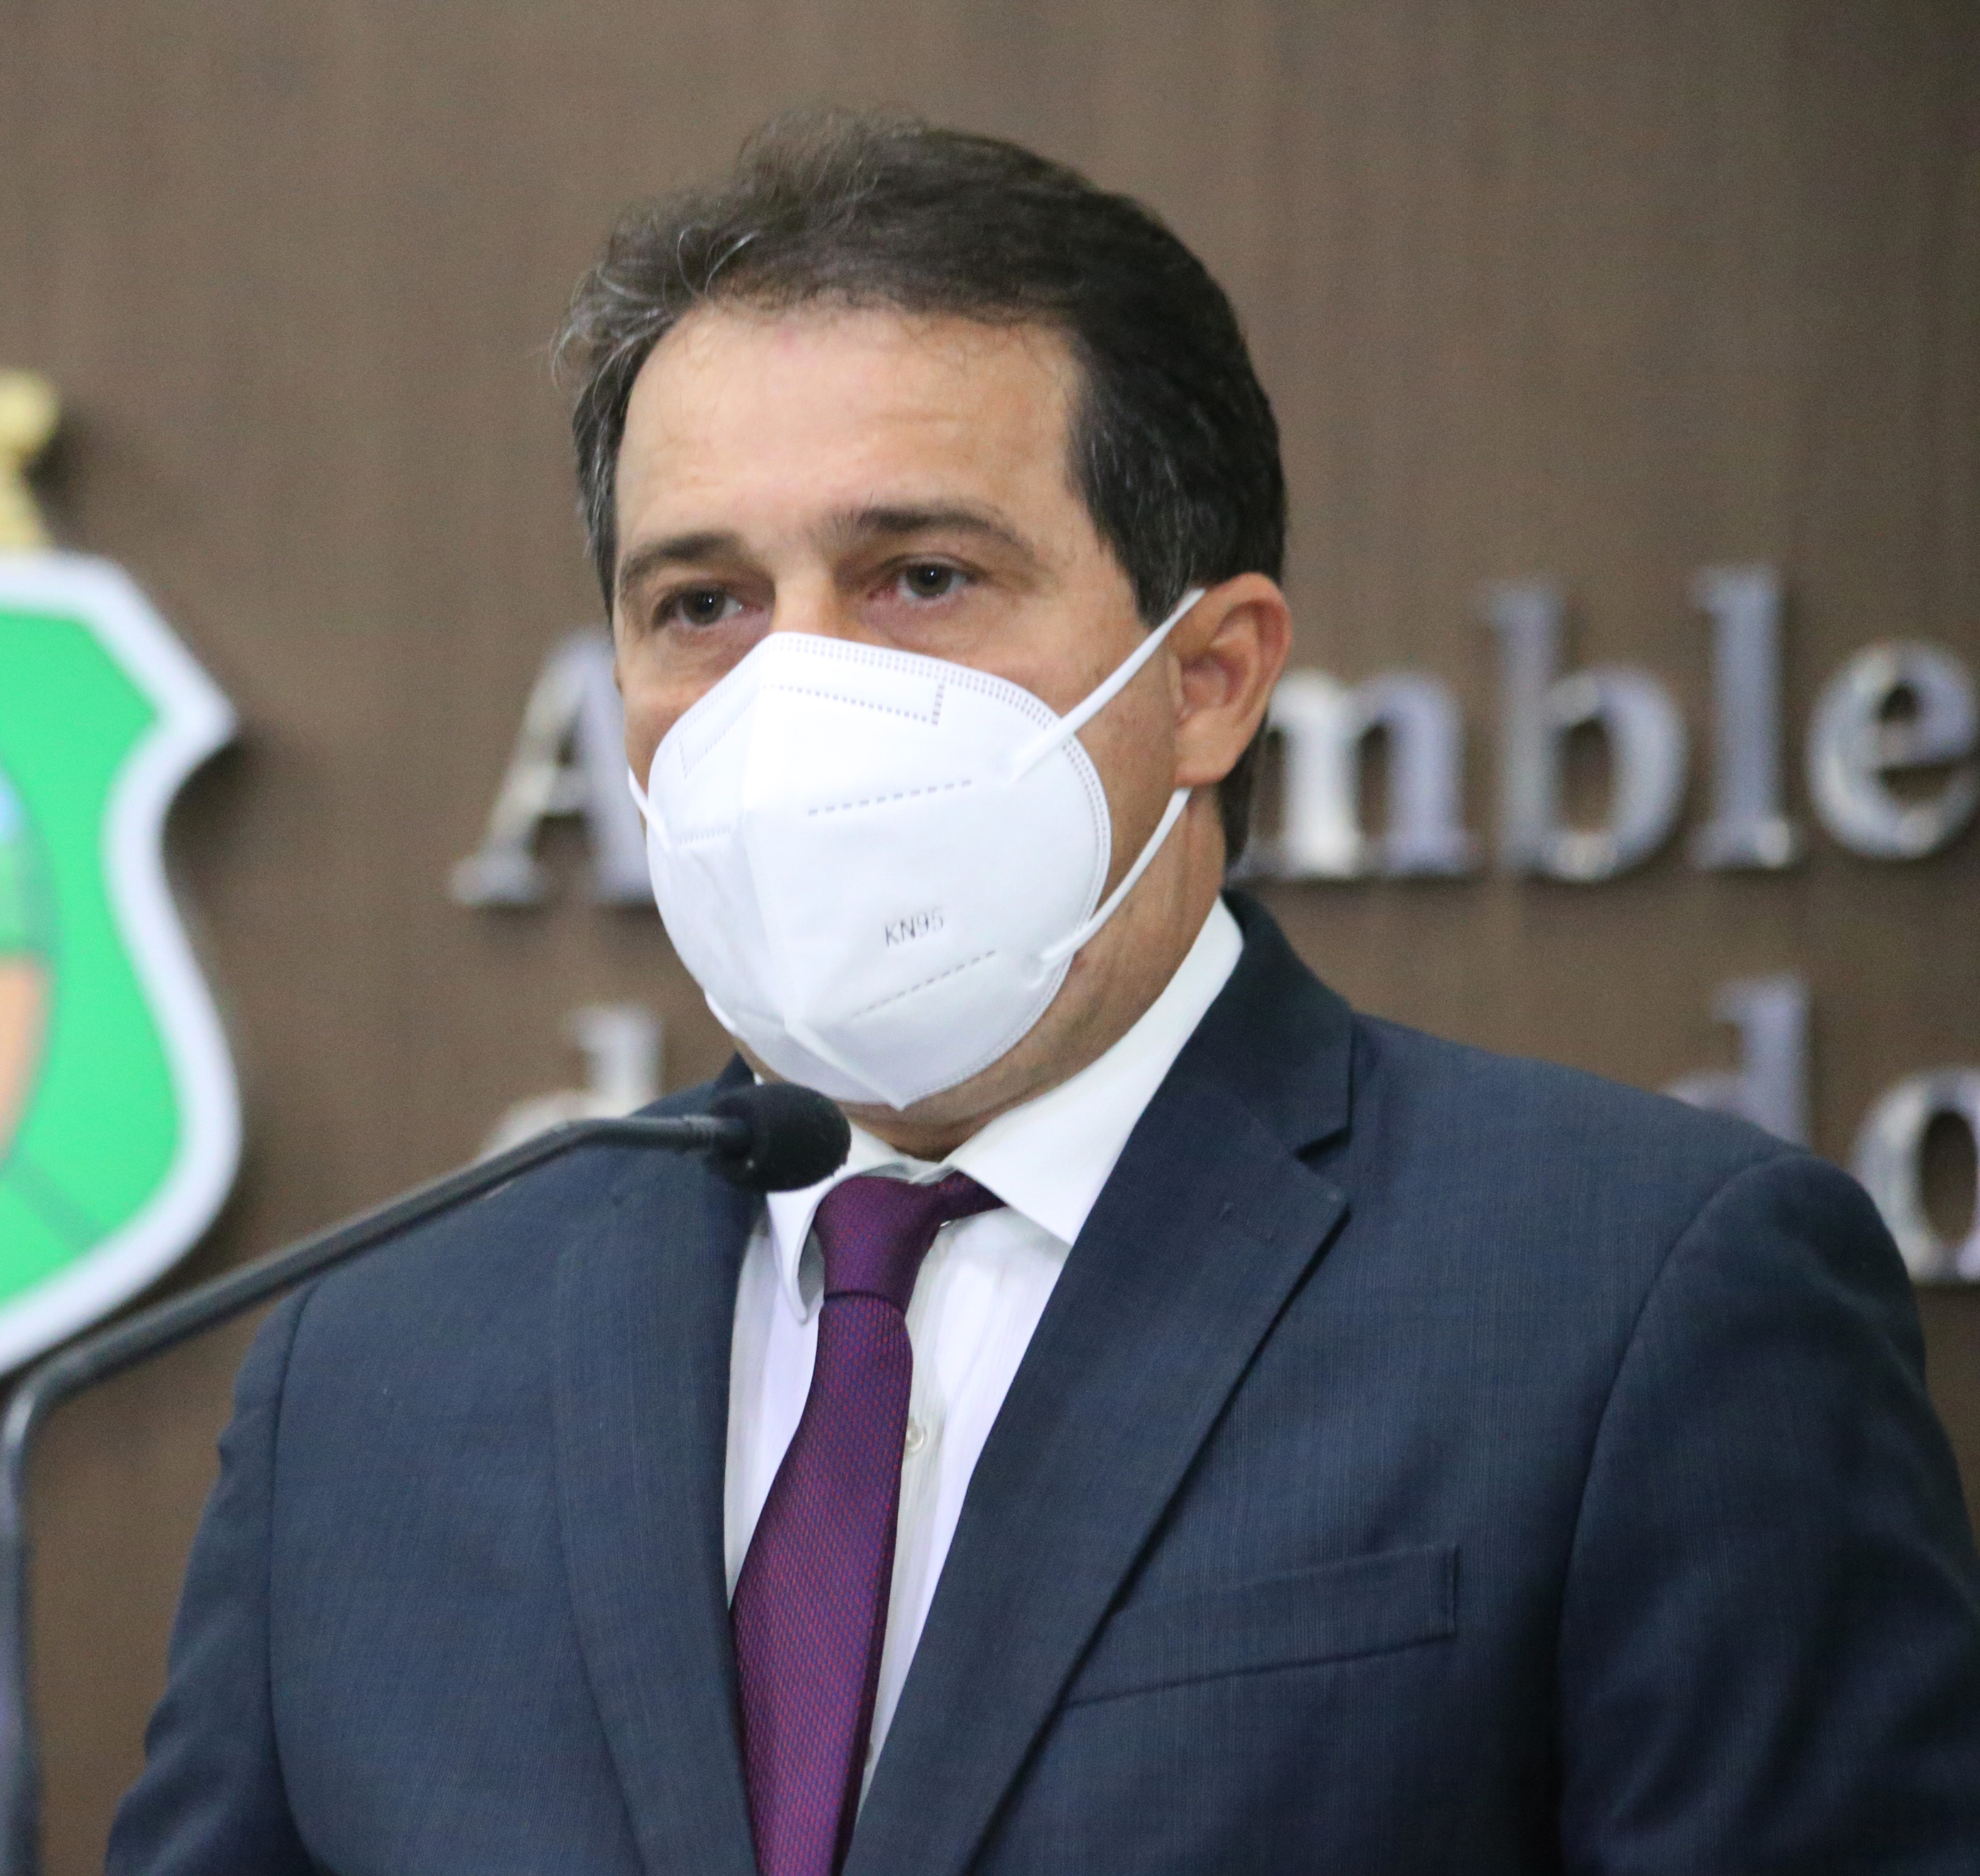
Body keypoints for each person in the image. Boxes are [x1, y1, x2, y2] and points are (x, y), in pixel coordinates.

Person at [108, 114, 1980, 1874]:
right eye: (702, 603)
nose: (793, 694)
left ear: (1211, 678)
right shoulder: (374, 1378)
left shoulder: (1636, 1301)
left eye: (921, 575)